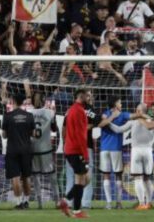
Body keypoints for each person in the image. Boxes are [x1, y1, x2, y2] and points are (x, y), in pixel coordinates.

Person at [107, 104, 154, 210]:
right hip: (148, 150)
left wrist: (108, 123)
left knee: (138, 178)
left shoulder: (133, 121)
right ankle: (149, 203)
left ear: (137, 110)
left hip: (136, 151)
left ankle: (142, 204)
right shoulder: (151, 120)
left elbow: (119, 130)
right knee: (148, 178)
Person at [60, 89, 91, 219]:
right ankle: (68, 203)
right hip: (76, 150)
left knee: (84, 179)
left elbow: (65, 129)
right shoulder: (78, 111)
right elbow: (80, 135)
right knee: (82, 180)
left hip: (70, 149)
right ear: (81, 96)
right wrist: (85, 155)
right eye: (88, 95)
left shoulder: (72, 110)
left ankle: (75, 209)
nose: (89, 97)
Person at [2, 94, 35, 210]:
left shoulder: (8, 116)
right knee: (26, 177)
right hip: (26, 149)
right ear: (23, 102)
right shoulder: (29, 115)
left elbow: (4, 135)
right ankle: (26, 202)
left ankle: (18, 202)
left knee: (15, 177)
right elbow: (33, 133)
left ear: (13, 101)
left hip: (12, 150)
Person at [97, 97, 131, 209]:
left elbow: (101, 124)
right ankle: (116, 203)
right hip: (115, 148)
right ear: (115, 104)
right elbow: (100, 125)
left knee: (107, 175)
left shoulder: (105, 114)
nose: (121, 104)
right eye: (120, 102)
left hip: (105, 148)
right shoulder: (120, 114)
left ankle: (110, 203)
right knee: (117, 175)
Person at [30, 91, 60, 209]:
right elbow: (54, 129)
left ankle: (39, 203)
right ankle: (57, 201)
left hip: (33, 148)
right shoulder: (51, 113)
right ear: (44, 100)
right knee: (52, 176)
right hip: (46, 148)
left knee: (36, 176)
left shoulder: (28, 113)